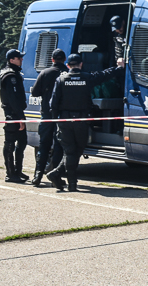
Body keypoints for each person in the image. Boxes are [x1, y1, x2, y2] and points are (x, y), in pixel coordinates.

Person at [46, 54, 125, 192]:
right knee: (76, 150)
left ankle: (61, 176)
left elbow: (53, 104)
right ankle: (68, 181)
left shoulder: (61, 79)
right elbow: (104, 75)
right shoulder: (87, 77)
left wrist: (56, 121)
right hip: (81, 120)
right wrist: (119, 68)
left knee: (70, 151)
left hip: (64, 120)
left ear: (68, 65)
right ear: (81, 64)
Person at [29, 48, 67, 187]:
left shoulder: (45, 73)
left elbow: (35, 92)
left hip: (47, 114)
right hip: (62, 115)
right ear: (64, 59)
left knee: (44, 145)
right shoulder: (67, 73)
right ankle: (55, 176)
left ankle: (38, 175)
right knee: (58, 146)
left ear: (52, 59)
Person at [0, 49, 29, 183]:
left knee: (22, 142)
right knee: (10, 144)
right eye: (18, 58)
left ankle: (18, 170)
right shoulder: (10, 75)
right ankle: (10, 173)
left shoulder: (13, 73)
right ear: (11, 60)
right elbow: (13, 99)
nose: (21, 59)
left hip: (16, 113)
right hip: (13, 114)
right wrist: (20, 117)